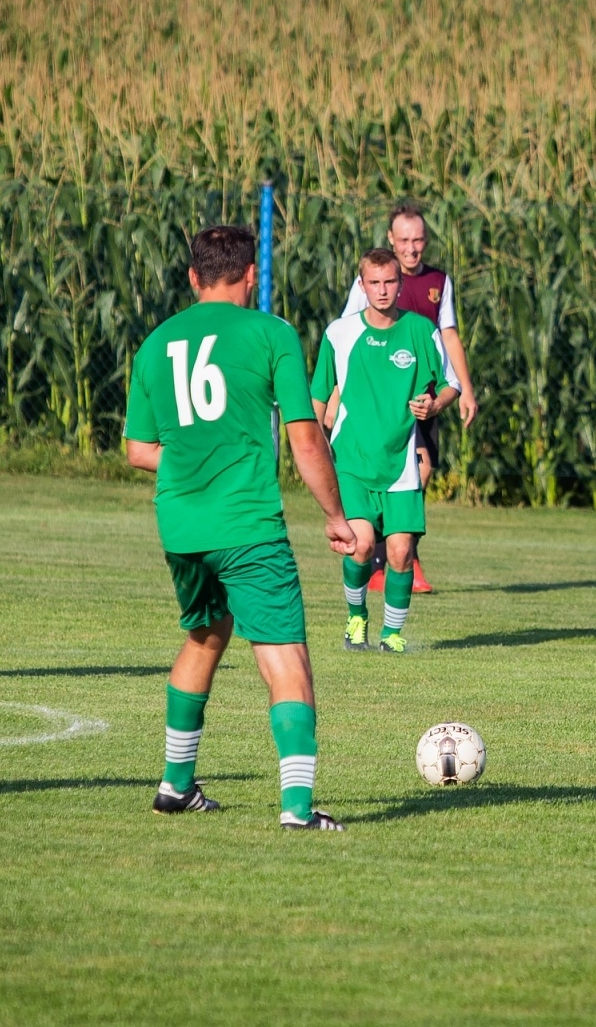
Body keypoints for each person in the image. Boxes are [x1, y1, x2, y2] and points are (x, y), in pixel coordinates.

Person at [124, 226, 356, 831]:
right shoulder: (271, 333)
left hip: (181, 528)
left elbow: (138, 449)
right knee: (286, 657)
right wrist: (335, 516)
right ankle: (298, 809)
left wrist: (194, 456)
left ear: (194, 279)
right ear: (251, 275)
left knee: (206, 634)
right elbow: (306, 439)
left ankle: (175, 785)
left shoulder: (154, 344)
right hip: (247, 524)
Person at [315, 249, 459, 655]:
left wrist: (434, 405)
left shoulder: (419, 330)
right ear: (362, 286)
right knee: (361, 545)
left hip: (402, 465)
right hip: (353, 462)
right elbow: (317, 401)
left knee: (400, 552)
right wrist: (318, 450)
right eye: (374, 283)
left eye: (390, 282)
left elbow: (450, 384)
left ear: (400, 284)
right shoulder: (339, 333)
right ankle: (356, 616)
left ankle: (392, 634)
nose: (382, 290)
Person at [340, 202, 471, 593]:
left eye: (418, 240)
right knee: (417, 467)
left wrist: (464, 387)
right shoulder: (370, 281)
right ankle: (391, 557)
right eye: (404, 240)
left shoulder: (438, 282)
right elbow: (346, 336)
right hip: (379, 400)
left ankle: (395, 552)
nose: (412, 248)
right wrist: (336, 396)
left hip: (424, 397)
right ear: (391, 240)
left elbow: (448, 334)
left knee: (423, 469)